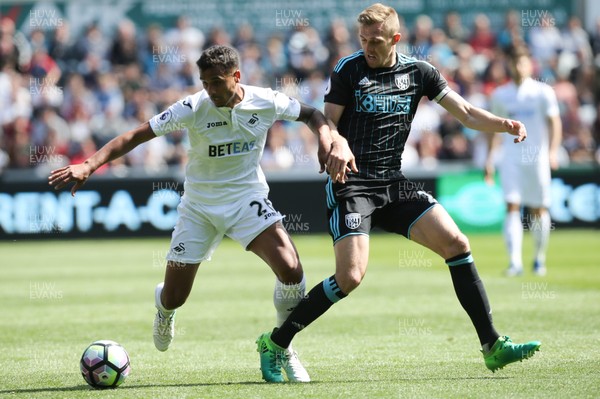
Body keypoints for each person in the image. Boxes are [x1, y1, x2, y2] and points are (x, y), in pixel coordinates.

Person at [256, 3, 541, 383]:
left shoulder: (419, 72)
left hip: (394, 183)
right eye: (363, 40)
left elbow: (467, 113)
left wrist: (502, 125)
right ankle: (276, 343)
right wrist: (335, 144)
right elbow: (326, 123)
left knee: (457, 243)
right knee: (350, 277)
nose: (368, 48)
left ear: (395, 39)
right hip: (352, 184)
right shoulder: (349, 69)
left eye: (375, 41)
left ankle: (492, 346)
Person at [48, 45, 355, 383]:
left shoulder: (266, 100)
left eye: (216, 82)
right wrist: (89, 165)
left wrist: (326, 137)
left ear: (236, 77)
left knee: (292, 272)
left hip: (246, 199)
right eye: (204, 82)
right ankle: (163, 310)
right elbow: (136, 135)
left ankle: (281, 346)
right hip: (198, 208)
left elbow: (313, 114)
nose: (209, 90)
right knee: (175, 296)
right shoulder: (193, 107)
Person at [485, 46, 562, 276]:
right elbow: (496, 130)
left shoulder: (543, 92)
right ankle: (514, 262)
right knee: (512, 206)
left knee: (538, 209)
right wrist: (490, 159)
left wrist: (553, 151)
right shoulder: (500, 95)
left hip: (537, 158)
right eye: (514, 62)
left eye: (523, 62)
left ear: (530, 65)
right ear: (509, 65)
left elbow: (555, 122)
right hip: (511, 159)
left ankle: (539, 258)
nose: (518, 67)